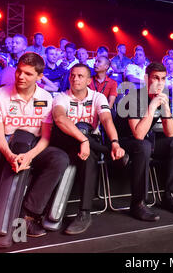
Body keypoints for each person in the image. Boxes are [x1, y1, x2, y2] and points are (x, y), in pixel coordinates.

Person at [0, 53, 69, 251]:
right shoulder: (0, 94)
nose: (21, 77)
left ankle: (28, 215)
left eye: (27, 74)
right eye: (18, 71)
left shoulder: (45, 98)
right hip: (5, 145)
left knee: (60, 158)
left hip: (32, 147)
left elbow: (45, 138)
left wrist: (29, 156)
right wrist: (10, 155)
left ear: (39, 77)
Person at [51, 64, 126, 234]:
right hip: (66, 142)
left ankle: (84, 213)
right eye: (73, 75)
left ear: (88, 80)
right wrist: (83, 139)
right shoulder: (61, 97)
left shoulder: (98, 97)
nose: (75, 79)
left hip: (89, 142)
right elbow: (60, 118)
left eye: (80, 76)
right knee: (75, 129)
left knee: (89, 154)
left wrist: (115, 142)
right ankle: (106, 152)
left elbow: (106, 120)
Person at [115, 62, 173, 221]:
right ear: (146, 78)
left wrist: (166, 108)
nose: (160, 83)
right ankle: (138, 203)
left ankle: (170, 196)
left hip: (146, 142)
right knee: (144, 145)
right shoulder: (133, 97)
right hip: (124, 143)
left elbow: (170, 133)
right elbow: (138, 134)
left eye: (163, 79)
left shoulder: (161, 97)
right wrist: (153, 106)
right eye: (156, 78)